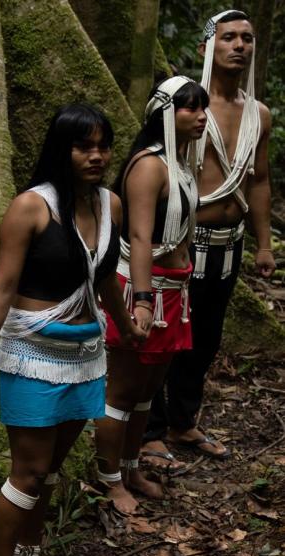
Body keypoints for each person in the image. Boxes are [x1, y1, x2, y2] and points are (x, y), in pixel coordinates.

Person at [0, 105, 142, 556]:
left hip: (86, 352)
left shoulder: (110, 205)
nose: (97, 155)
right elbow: (2, 285)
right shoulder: (31, 208)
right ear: (61, 149)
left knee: (53, 471)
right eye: (84, 146)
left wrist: (126, 326)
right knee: (29, 471)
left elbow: (104, 276)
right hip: (33, 354)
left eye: (104, 145)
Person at [141, 10, 273, 469]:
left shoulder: (259, 114)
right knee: (165, 334)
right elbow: (154, 162)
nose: (239, 46)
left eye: (247, 39)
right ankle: (150, 431)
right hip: (182, 238)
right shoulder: (184, 105)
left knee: (207, 336)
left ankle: (183, 420)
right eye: (229, 37)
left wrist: (263, 243)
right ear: (206, 47)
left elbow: (258, 179)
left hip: (229, 240)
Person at [94, 76, 208, 515]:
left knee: (147, 390)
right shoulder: (148, 165)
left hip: (174, 291)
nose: (200, 117)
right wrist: (140, 301)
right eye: (189, 108)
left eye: (203, 108)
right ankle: (109, 481)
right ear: (164, 113)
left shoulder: (179, 163)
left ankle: (130, 467)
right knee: (122, 389)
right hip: (145, 290)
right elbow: (140, 235)